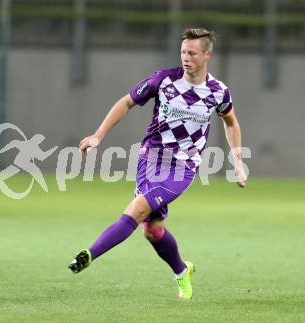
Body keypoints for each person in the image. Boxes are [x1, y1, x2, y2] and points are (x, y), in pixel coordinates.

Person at [68, 28, 247, 300]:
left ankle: (90, 254)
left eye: (192, 53)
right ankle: (181, 270)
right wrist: (98, 135)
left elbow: (231, 122)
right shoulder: (163, 80)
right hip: (150, 160)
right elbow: (126, 102)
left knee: (137, 208)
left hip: (183, 167)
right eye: (183, 52)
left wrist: (237, 161)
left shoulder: (218, 92)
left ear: (207, 55)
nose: (186, 57)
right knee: (152, 231)